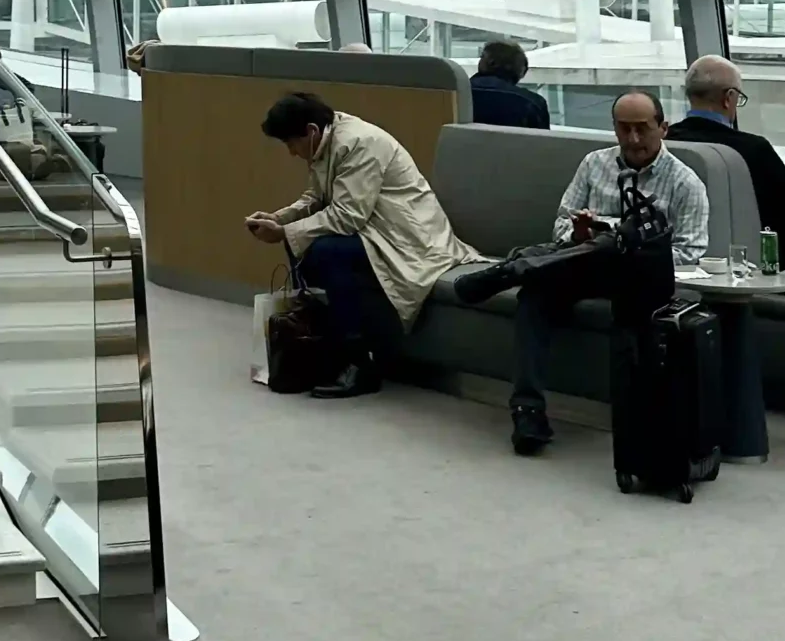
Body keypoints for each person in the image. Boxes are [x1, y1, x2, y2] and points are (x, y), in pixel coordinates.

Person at [455, 87, 709, 457]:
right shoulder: (594, 164)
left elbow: (690, 252)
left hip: (638, 278)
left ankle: (514, 268)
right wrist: (577, 234)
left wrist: (635, 245)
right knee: (538, 294)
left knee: (614, 244)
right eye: (624, 129)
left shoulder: (685, 183)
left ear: (663, 128)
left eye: (642, 129)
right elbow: (561, 224)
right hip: (578, 267)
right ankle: (528, 412)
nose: (633, 139)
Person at [244, 90, 482, 398]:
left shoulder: (356, 144)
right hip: (376, 230)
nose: (291, 152)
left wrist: (285, 231)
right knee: (309, 247)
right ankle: (333, 347)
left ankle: (359, 361)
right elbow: (315, 198)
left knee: (324, 252)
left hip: (409, 238)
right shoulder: (327, 141)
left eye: (291, 142)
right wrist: (280, 218)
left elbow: (347, 216)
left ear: (311, 131)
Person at [667, 56, 785, 268]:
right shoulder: (752, 149)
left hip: (707, 240)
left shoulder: (667, 141)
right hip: (771, 251)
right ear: (729, 98)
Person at [470, 37, 550, 129]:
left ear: (491, 62)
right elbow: (544, 142)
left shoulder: (455, 94)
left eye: (482, 57)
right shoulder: (533, 103)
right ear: (522, 72)